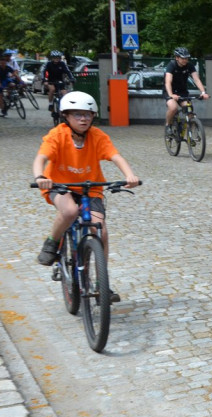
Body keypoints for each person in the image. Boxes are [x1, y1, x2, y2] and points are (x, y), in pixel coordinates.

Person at [32, 91, 140, 304]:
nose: (83, 119)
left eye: (88, 115)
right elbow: (41, 158)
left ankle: (101, 284)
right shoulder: (57, 135)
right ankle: (52, 242)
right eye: (77, 115)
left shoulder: (97, 136)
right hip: (59, 185)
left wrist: (129, 175)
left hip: (90, 188)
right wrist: (40, 176)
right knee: (70, 211)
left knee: (101, 229)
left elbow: (115, 156)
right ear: (66, 116)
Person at [164, 47, 209, 129]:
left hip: (182, 91)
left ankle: (191, 133)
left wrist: (203, 92)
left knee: (189, 109)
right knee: (173, 108)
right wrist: (171, 95)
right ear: (177, 58)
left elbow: (196, 79)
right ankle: (168, 125)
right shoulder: (171, 65)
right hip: (170, 91)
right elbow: (168, 82)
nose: (185, 60)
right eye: (183, 58)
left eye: (187, 58)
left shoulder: (189, 66)